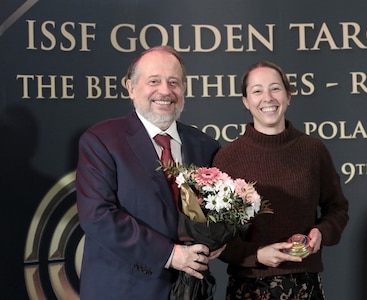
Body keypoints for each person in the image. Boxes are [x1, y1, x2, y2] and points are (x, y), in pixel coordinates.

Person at [76, 45, 223, 299]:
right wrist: (170, 255)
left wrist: (220, 239)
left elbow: (216, 211)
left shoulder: (205, 146)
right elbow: (97, 216)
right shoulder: (101, 140)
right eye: (154, 81)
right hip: (124, 290)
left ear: (184, 90)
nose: (165, 91)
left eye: (174, 82)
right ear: (131, 88)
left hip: (190, 290)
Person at [213, 61, 349, 300]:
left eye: (275, 88)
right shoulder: (228, 158)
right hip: (249, 287)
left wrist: (322, 232)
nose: (268, 97)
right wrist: (256, 254)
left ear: (288, 95)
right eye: (257, 91)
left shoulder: (312, 150)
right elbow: (216, 235)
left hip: (304, 284)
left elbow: (337, 208)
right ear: (245, 101)